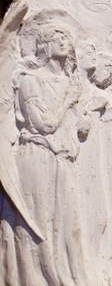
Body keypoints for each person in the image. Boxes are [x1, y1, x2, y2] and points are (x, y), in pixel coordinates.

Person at [12, 20, 98, 285]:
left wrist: (81, 114)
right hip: (39, 157)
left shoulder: (69, 83)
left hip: (64, 160)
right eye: (56, 36)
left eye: (66, 36)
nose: (64, 40)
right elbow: (43, 123)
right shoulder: (31, 80)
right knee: (42, 226)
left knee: (68, 227)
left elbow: (80, 130)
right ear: (44, 46)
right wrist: (68, 101)